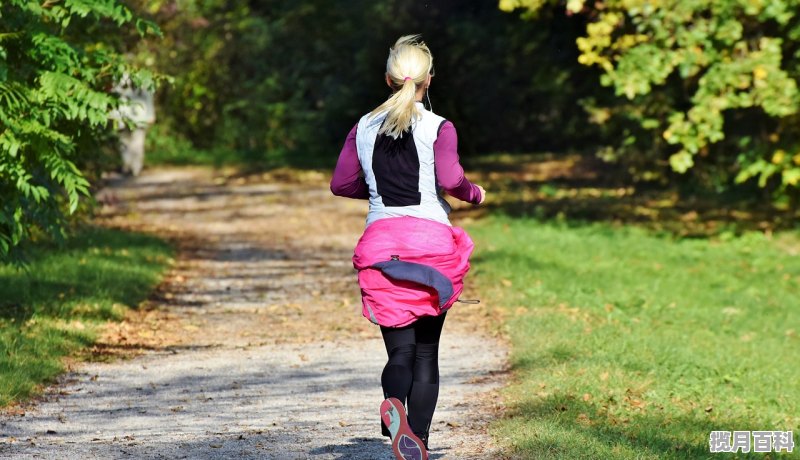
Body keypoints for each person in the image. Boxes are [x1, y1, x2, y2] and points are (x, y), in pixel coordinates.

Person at [330, 35, 486, 460]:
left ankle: (393, 404)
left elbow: (341, 184)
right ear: (429, 80)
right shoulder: (439, 127)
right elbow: (453, 181)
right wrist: (476, 194)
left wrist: (378, 190)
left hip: (383, 247)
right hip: (431, 246)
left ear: (388, 78)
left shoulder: (362, 126)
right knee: (427, 351)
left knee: (400, 350)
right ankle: (418, 441)